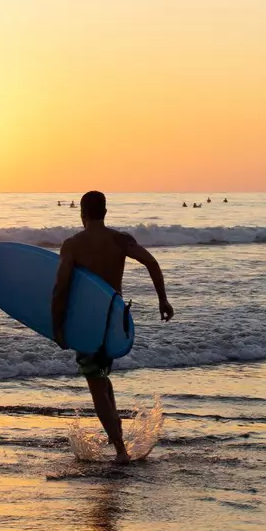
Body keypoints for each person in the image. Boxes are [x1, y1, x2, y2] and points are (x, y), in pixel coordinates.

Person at [52, 190, 174, 462]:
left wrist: (57, 324)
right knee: (102, 379)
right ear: (105, 212)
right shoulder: (120, 240)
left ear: (82, 213)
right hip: (114, 319)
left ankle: (120, 450)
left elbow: (61, 286)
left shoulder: (73, 244)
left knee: (96, 384)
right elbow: (151, 262)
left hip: (87, 322)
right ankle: (117, 440)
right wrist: (162, 300)